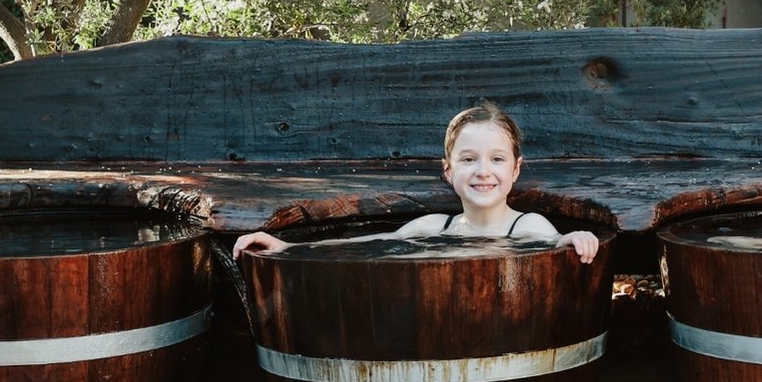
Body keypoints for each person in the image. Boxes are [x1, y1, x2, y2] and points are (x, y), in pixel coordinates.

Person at [231, 102, 600, 262]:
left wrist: (572, 238)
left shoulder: (527, 226)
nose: (483, 171)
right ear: (448, 170)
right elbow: (372, 243)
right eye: (468, 160)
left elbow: (554, 244)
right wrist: (286, 248)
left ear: (516, 170)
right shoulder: (434, 227)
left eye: (497, 160)